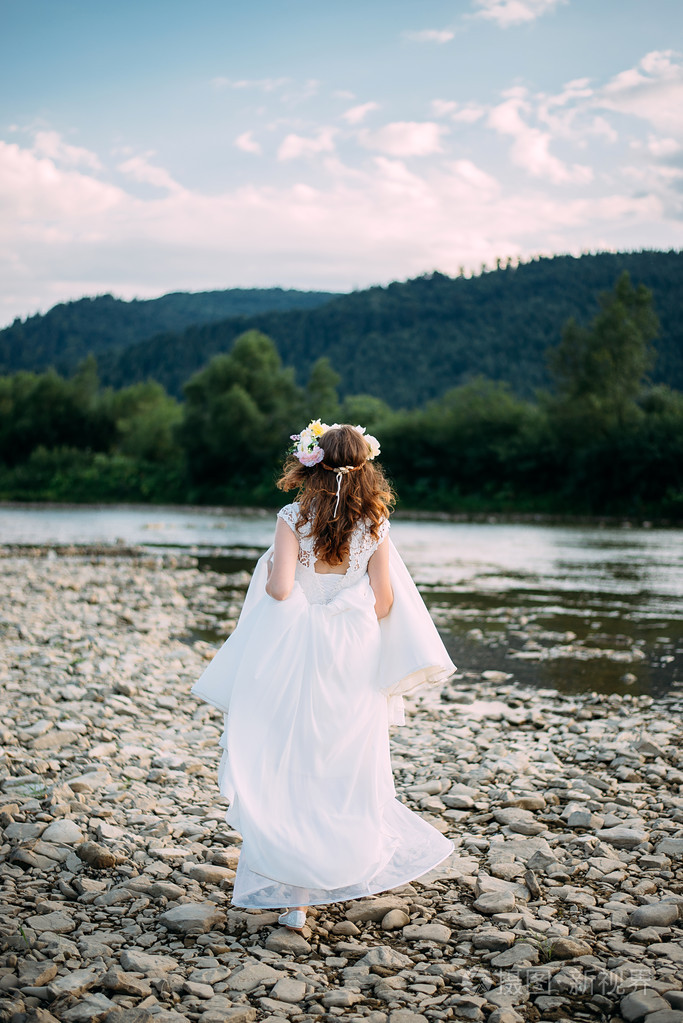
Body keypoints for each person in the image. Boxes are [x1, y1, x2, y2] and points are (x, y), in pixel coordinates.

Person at [191, 420, 456, 933]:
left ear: (310, 463)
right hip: (352, 648)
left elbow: (281, 589)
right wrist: (347, 604)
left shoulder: (294, 515)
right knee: (344, 753)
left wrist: (272, 570)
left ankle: (294, 897)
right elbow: (384, 600)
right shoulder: (375, 521)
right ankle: (340, 864)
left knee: (289, 750)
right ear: (366, 467)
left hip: (295, 646)